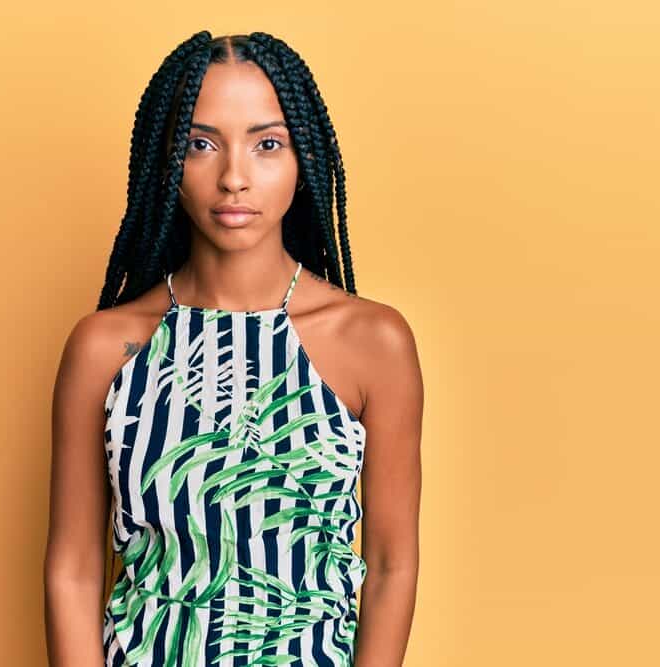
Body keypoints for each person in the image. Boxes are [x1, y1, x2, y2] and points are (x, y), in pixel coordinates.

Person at [44, 30, 423, 667]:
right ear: (166, 161)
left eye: (267, 143)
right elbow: (73, 571)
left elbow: (390, 566)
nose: (234, 178)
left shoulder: (372, 342)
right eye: (201, 144)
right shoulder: (104, 347)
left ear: (303, 158)